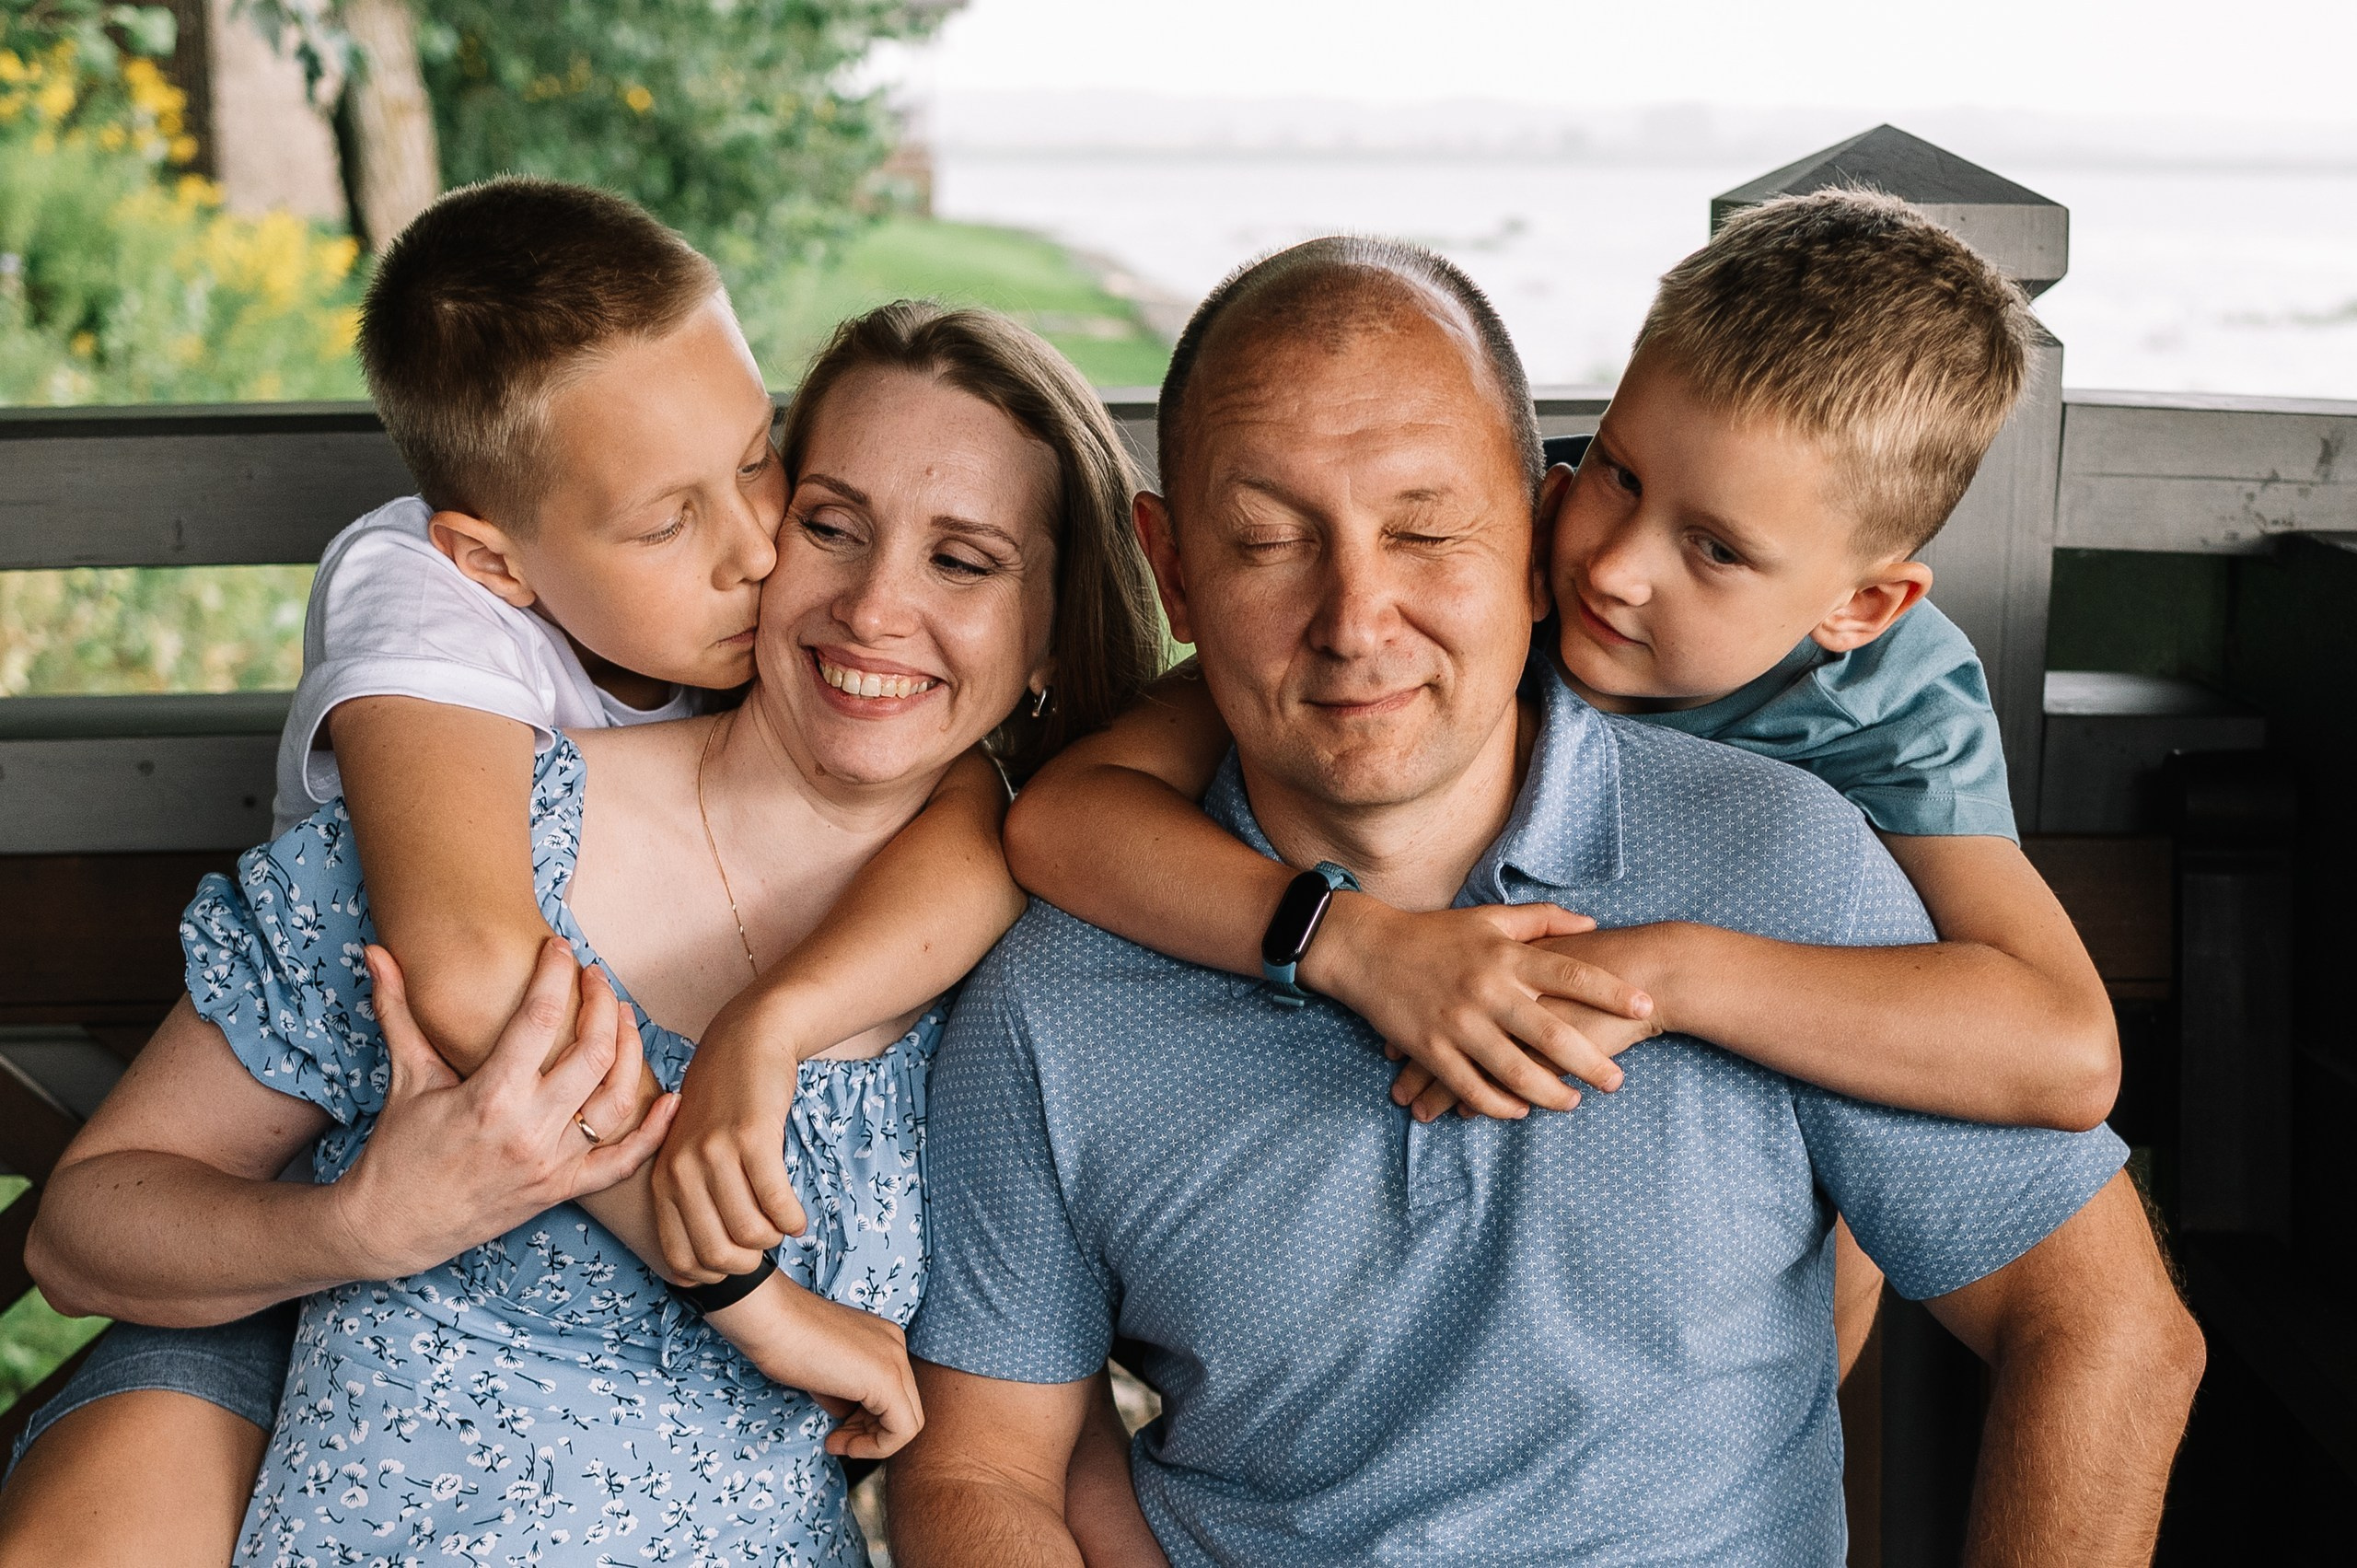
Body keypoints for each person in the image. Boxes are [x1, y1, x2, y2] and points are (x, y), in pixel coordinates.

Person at [888, 239, 2204, 1565]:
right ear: (1173, 570)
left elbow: (2106, 1327)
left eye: (1424, 531)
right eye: (1269, 541)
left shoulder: (1798, 856)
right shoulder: (1055, 995)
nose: (1357, 619)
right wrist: (1343, 943)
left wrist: (1676, 977)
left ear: (1524, 533)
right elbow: (985, 1472)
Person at [21, 300, 1167, 1562]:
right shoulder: (483, 848)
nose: (875, 607)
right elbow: (84, 1233)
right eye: (831, 526)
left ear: (1054, 629)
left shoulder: (1031, 965)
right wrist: (358, 1224)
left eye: (966, 561)